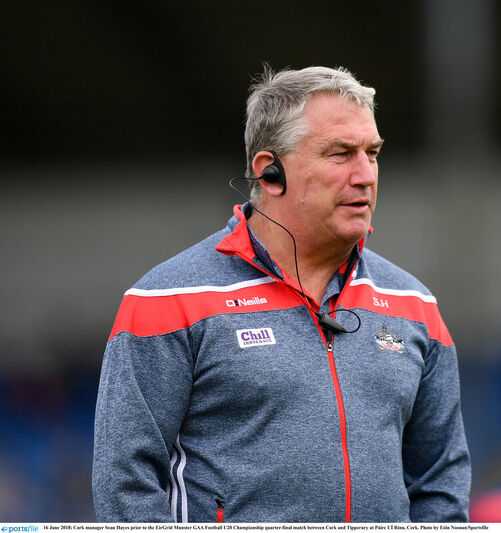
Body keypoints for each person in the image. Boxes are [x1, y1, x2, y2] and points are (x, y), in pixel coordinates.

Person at [92, 65, 470, 523]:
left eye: (372, 153)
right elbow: (125, 484)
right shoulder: (167, 299)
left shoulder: (414, 305)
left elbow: (440, 485)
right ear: (270, 173)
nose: (365, 175)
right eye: (340, 154)